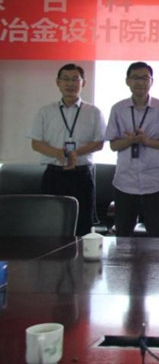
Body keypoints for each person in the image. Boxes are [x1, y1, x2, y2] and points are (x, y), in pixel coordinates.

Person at [28, 63, 106, 236]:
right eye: (65, 79)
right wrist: (57, 153)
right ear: (58, 82)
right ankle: (52, 255)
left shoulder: (93, 112)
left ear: (83, 83)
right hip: (54, 174)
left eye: (75, 79)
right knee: (50, 224)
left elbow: (99, 143)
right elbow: (36, 143)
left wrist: (76, 153)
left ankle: (80, 255)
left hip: (81, 175)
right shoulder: (46, 111)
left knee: (82, 225)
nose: (70, 84)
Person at [106, 62, 159, 237]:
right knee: (122, 236)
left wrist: (147, 141)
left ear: (151, 81)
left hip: (155, 181)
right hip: (125, 181)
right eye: (135, 78)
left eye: (145, 78)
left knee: (156, 236)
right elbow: (113, 145)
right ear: (127, 81)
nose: (140, 82)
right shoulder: (118, 109)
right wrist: (130, 141)